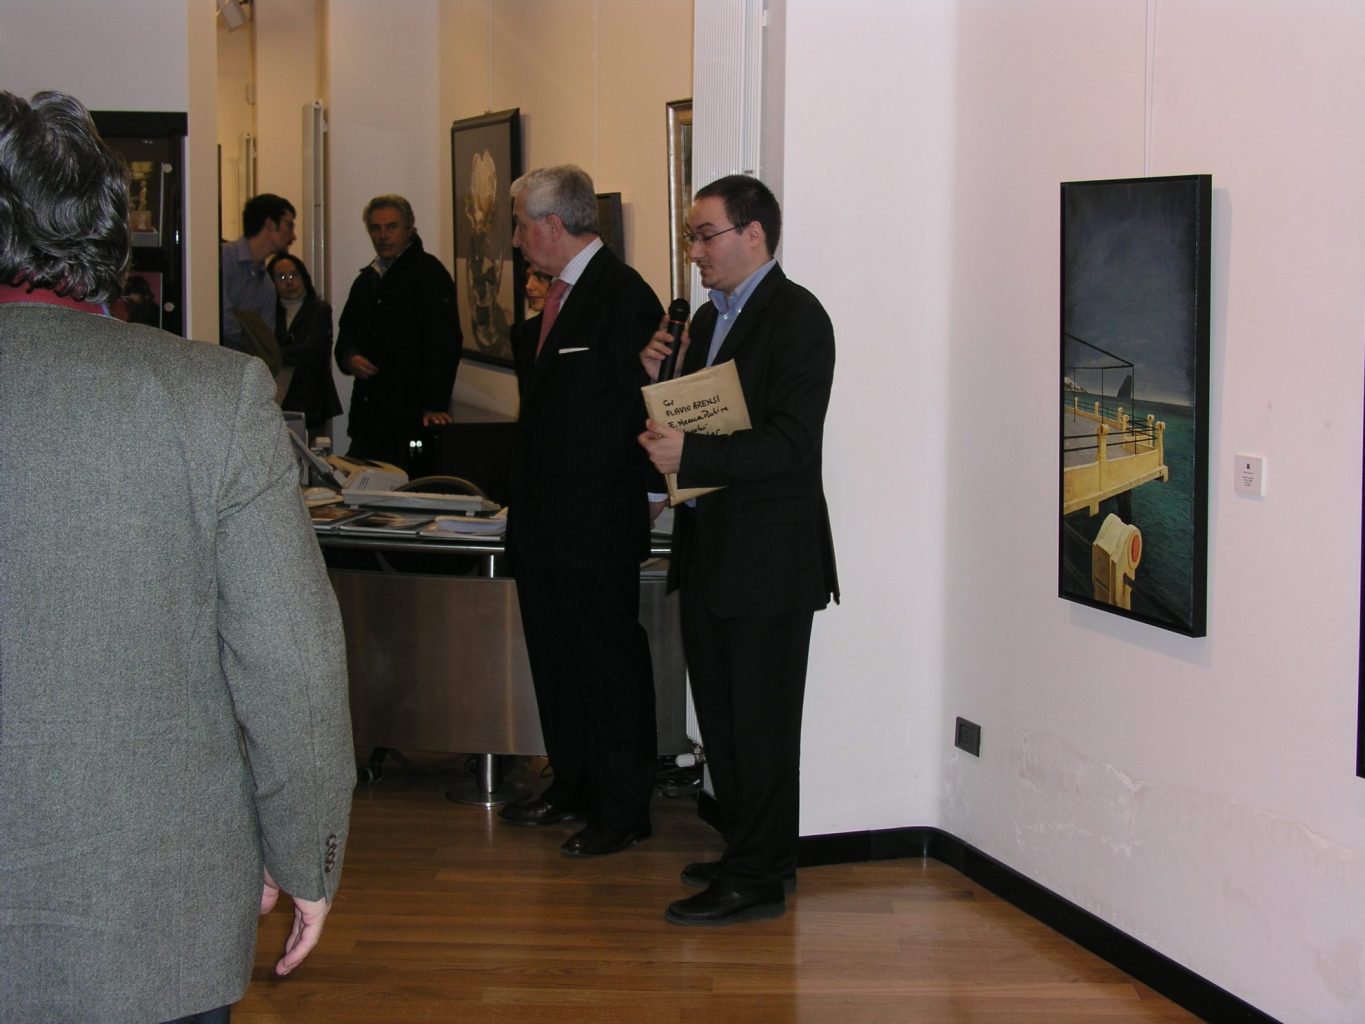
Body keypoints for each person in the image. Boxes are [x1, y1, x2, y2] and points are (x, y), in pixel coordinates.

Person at [0, 90, 356, 1022]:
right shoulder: (211, 397)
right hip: (150, 911)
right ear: (111, 228)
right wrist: (304, 852)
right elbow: (292, 661)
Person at [638, 174, 839, 926]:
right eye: (691, 237)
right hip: (710, 550)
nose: (694, 252)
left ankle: (755, 878)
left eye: (704, 235)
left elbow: (791, 444)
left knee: (760, 726)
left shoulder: (797, 317)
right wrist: (655, 379)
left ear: (753, 234)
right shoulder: (707, 320)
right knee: (724, 723)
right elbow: (692, 419)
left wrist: (690, 454)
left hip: (768, 561)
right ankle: (755, 856)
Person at [498, 165, 661, 857]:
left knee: (607, 665)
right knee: (556, 662)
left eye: (519, 225)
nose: (515, 240)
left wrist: (650, 497)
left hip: (596, 519)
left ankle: (622, 809)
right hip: (544, 519)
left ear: (551, 224)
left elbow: (645, 407)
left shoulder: (623, 295)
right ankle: (572, 783)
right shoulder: (555, 297)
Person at [334, 194, 461, 471]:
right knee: (361, 485)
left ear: (409, 229)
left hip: (411, 417)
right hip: (369, 416)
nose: (383, 236)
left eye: (391, 227)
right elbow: (346, 333)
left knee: (409, 489)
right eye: (376, 228)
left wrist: (435, 403)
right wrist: (349, 356)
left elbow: (445, 342)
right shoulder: (367, 279)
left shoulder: (429, 274)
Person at [268, 252, 343, 438]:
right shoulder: (269, 313)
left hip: (312, 401)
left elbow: (312, 352)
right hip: (279, 402)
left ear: (304, 277)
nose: (289, 282)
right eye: (281, 277)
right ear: (272, 283)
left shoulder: (319, 310)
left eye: (294, 274)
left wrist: (276, 354)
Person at [221, 192, 296, 352]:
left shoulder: (267, 285)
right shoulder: (223, 258)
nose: (293, 236)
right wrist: (248, 338)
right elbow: (219, 318)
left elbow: (265, 340)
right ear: (270, 224)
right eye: (289, 226)